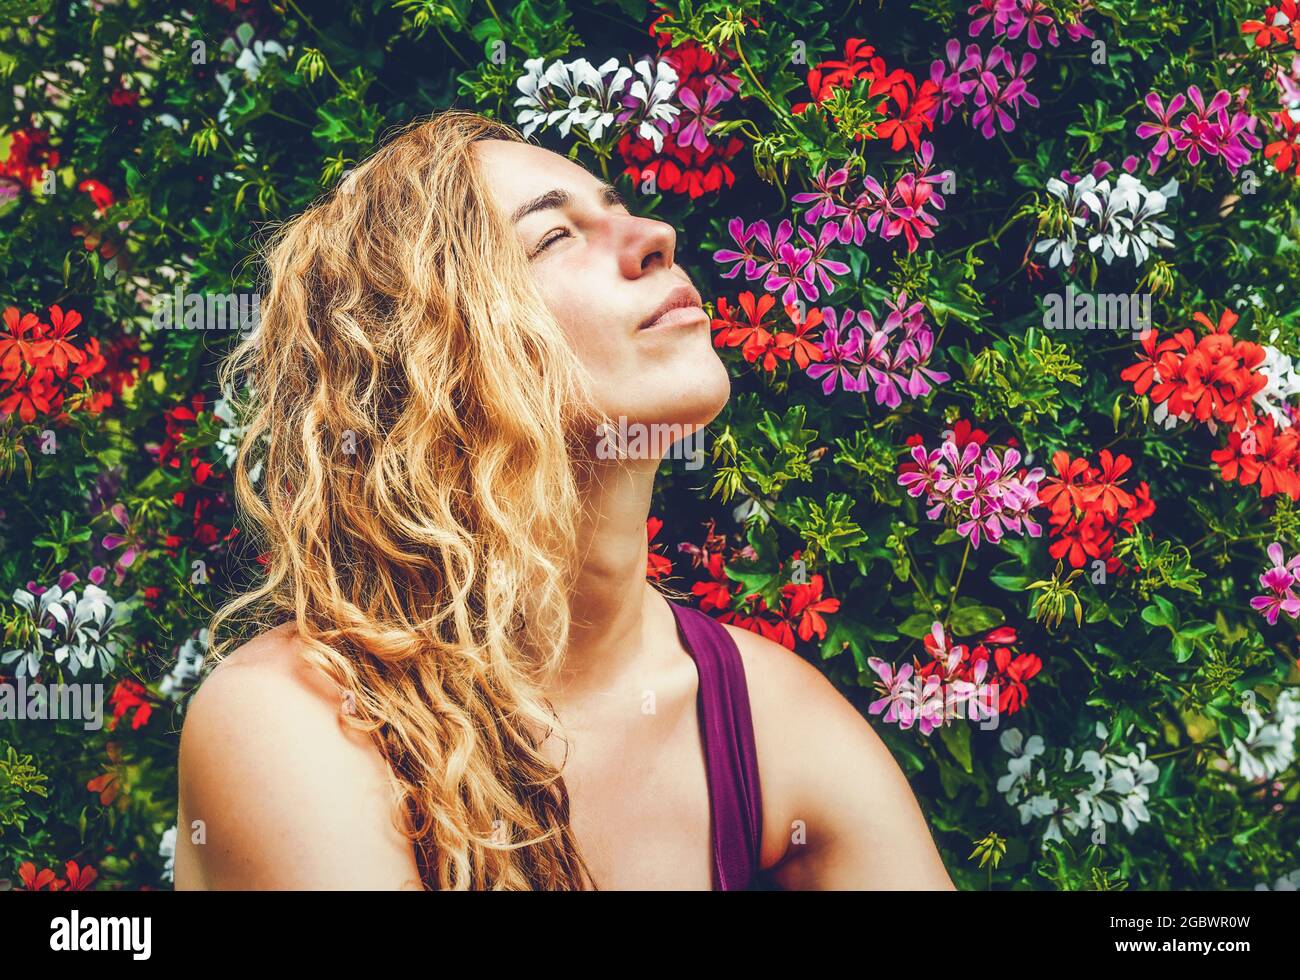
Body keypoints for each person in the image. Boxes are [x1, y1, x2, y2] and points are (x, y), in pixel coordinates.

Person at [174, 110, 956, 891]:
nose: (656, 235)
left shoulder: (762, 715)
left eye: (618, 208)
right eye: (554, 236)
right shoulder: (294, 718)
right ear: (430, 363)